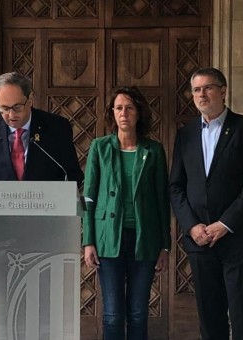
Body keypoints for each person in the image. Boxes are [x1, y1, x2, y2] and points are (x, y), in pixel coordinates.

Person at [169, 67, 243, 340]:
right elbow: (176, 187)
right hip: (200, 242)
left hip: (237, 239)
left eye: (208, 88)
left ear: (223, 91)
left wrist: (224, 224)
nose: (202, 94)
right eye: (196, 89)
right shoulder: (186, 134)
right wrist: (191, 227)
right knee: (210, 318)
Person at [82, 86, 171, 339]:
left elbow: (161, 200)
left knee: (137, 312)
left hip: (144, 240)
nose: (124, 113)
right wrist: (88, 240)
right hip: (108, 238)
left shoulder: (153, 151)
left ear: (139, 113)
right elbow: (88, 197)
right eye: (119, 108)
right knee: (112, 313)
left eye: (130, 108)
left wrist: (165, 246)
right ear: (112, 113)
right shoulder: (100, 148)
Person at [0, 72, 83, 184]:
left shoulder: (57, 127)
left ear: (30, 99)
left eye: (17, 107)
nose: (11, 115)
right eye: (5, 108)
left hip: (45, 202)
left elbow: (73, 175)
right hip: (0, 201)